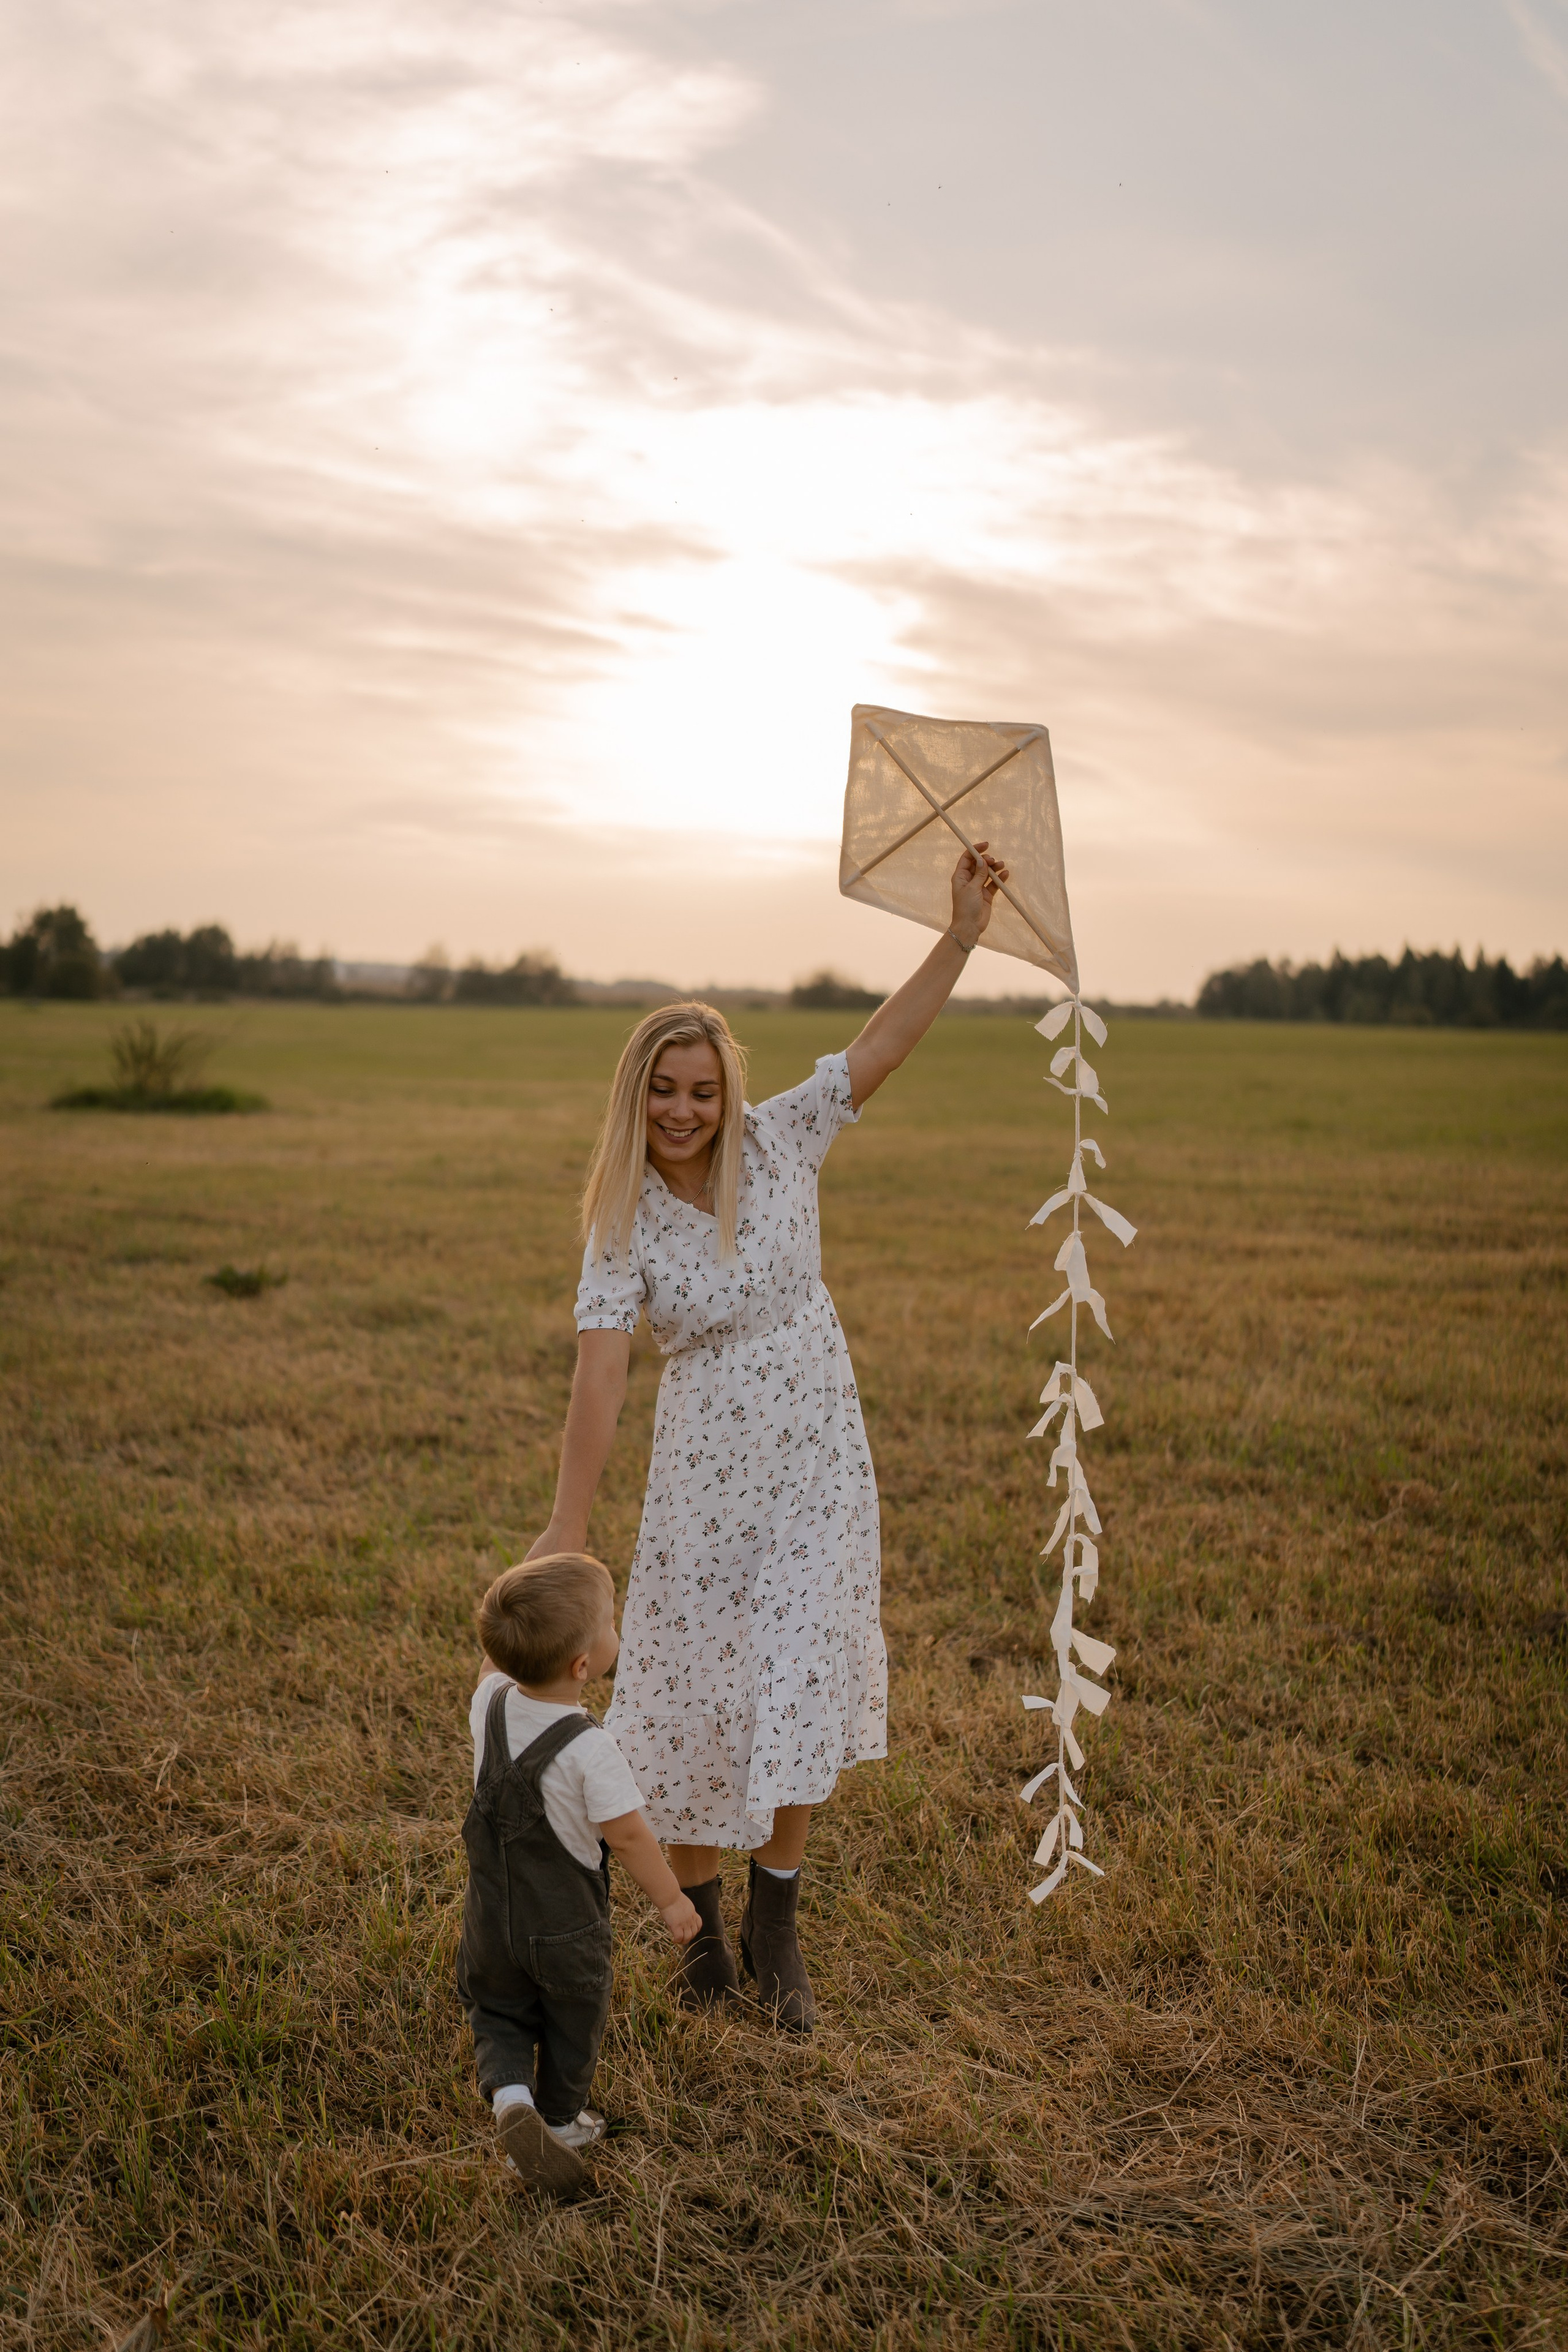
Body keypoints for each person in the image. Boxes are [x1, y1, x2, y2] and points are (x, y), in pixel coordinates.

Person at [528, 844, 1008, 2031]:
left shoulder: (786, 1140)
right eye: (662, 1091)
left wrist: (956, 933)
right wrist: (567, 1529)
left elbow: (883, 1043)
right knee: (694, 1692)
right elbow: (600, 1379)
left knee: (793, 1674)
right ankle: (697, 1937)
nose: (682, 1110)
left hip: (815, 1463)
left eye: (700, 1089)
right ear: (634, 1097)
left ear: (728, 1091)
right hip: (701, 1476)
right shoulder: (619, 1221)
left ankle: (776, 1925)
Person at [457, 1551, 701, 2196]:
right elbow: (626, 1836)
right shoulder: (592, 1749)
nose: (616, 1628)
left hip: (491, 1918)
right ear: (583, 1666)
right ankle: (561, 2121)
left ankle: (510, 2097)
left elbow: (491, 1666)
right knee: (573, 2018)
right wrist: (673, 1900)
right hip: (565, 1926)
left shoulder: (491, 1703)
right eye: (610, 1621)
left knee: (498, 2011)